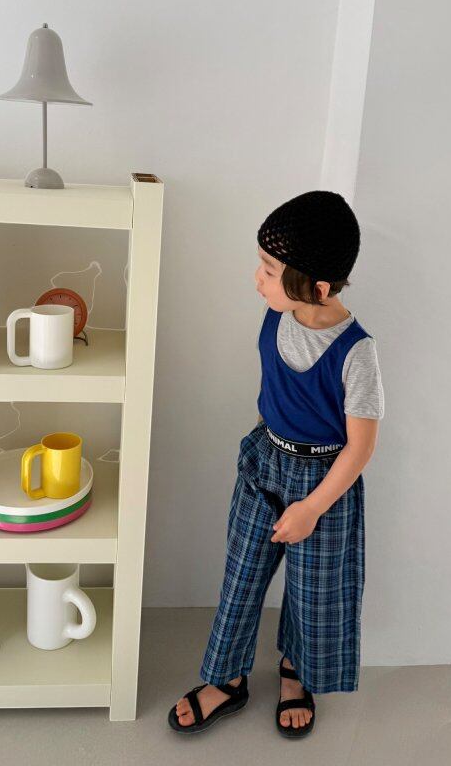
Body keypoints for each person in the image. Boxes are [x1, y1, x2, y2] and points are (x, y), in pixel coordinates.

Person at [168, 190, 384, 738]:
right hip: (266, 461)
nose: (257, 279)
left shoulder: (356, 352)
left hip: (325, 482)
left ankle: (296, 669)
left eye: (269, 269)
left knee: (315, 591)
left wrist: (311, 508)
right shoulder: (277, 315)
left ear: (318, 287)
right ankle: (227, 678)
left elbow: (360, 447)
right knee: (242, 574)